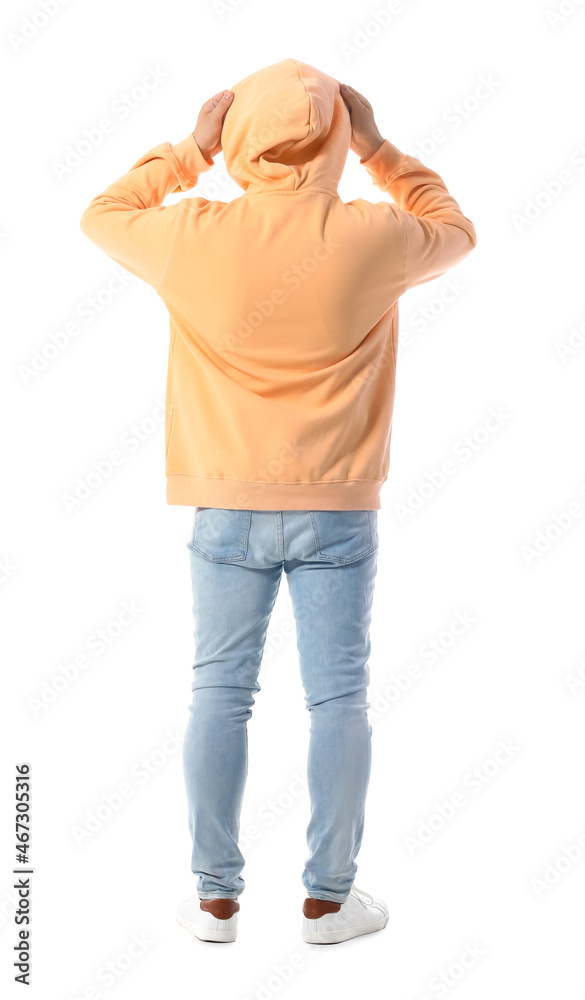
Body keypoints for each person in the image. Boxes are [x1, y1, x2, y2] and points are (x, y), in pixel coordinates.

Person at [79, 57, 477, 946]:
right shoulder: (373, 234)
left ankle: (215, 900)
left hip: (223, 507)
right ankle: (329, 904)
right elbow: (456, 230)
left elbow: (100, 215)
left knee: (218, 693)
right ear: (335, 138)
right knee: (339, 699)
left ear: (241, 142)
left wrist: (190, 149)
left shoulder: (195, 233)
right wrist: (378, 149)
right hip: (340, 507)